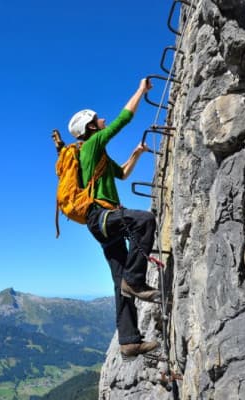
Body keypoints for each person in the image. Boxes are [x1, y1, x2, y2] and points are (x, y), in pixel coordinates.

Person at [67, 77, 160, 358]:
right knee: (144, 221)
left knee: (119, 283)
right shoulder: (91, 144)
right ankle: (135, 279)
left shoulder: (98, 156)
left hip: (102, 224)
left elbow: (122, 174)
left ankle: (129, 341)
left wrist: (135, 155)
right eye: (97, 119)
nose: (102, 119)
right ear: (90, 128)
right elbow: (123, 119)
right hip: (103, 216)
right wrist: (141, 90)